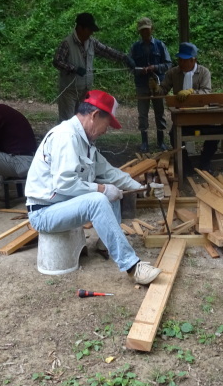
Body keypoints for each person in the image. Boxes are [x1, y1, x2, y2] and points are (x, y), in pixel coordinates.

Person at [25, 89, 165, 286]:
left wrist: (144, 187)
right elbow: (64, 183)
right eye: (107, 124)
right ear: (95, 115)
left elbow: (111, 173)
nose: (105, 131)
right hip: (43, 213)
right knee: (99, 198)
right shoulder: (66, 137)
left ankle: (105, 244)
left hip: (61, 206)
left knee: (110, 191)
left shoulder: (84, 142)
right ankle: (133, 266)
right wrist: (101, 190)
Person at [52, 12, 131, 123]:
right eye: (89, 30)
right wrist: (73, 68)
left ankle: (81, 141)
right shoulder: (67, 43)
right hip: (69, 91)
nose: (91, 33)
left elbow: (106, 51)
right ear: (80, 28)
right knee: (67, 122)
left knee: (82, 121)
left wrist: (125, 58)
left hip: (84, 91)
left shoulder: (91, 42)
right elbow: (57, 61)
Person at [155, 42, 218, 173]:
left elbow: (207, 92)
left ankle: (205, 163)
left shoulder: (204, 72)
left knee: (216, 133)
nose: (181, 63)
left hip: (202, 116)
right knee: (174, 135)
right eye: (179, 59)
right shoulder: (173, 73)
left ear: (193, 60)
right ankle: (186, 166)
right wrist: (156, 88)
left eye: (184, 60)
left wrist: (192, 92)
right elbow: (163, 90)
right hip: (182, 117)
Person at [129, 17, 172, 152]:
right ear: (139, 32)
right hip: (141, 84)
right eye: (142, 31)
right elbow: (130, 66)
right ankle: (144, 142)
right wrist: (140, 70)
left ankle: (161, 141)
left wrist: (155, 67)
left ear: (151, 29)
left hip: (158, 83)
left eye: (147, 30)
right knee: (142, 113)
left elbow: (168, 64)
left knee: (160, 111)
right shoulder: (135, 48)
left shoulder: (160, 45)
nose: (145, 33)